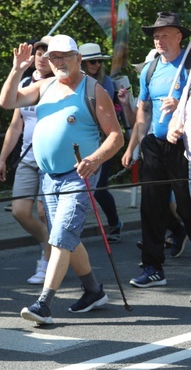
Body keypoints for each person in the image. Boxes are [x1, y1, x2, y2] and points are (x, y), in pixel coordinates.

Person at [0, 35, 123, 325]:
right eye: (54, 57)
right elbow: (7, 102)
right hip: (49, 177)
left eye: (66, 56)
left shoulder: (93, 90)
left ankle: (44, 303)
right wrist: (17, 69)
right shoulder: (44, 85)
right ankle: (93, 290)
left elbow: (116, 136)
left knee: (61, 236)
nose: (59, 62)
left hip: (79, 176)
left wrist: (93, 160)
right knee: (67, 238)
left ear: (78, 58)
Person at [122, 12, 191, 287]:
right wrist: (134, 146)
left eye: (164, 34)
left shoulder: (189, 64)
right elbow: (144, 110)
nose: (159, 40)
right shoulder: (150, 69)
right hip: (153, 144)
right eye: (155, 35)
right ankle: (153, 268)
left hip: (183, 146)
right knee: (151, 207)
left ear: (179, 36)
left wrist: (182, 107)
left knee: (187, 207)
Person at [0, 36, 53, 285]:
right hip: (27, 156)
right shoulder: (27, 82)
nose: (41, 57)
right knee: (20, 211)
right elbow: (15, 124)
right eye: (38, 53)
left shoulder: (59, 85)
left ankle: (48, 260)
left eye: (47, 54)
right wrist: (2, 159)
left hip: (50, 157)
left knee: (43, 211)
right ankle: (49, 245)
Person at [79, 42, 122, 243]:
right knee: (80, 188)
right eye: (92, 61)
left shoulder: (104, 84)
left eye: (99, 61)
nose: (96, 64)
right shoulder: (72, 83)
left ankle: (114, 222)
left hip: (102, 141)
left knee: (99, 187)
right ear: (83, 63)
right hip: (79, 140)